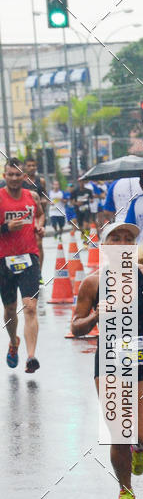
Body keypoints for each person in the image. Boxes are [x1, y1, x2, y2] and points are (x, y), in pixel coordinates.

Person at [72, 221, 143, 499]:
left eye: (127, 239)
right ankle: (125, 490)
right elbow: (76, 327)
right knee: (120, 431)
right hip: (110, 361)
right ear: (105, 248)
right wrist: (96, 316)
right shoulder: (92, 283)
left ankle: (139, 448)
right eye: (115, 239)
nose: (122, 243)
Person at [0, 159, 45, 372]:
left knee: (30, 307)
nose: (15, 178)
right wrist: (5, 227)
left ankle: (31, 356)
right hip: (4, 260)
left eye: (18, 175)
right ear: (4, 176)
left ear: (23, 176)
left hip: (29, 258)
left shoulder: (32, 196)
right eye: (10, 174)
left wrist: (40, 226)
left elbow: (40, 215)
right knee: (10, 309)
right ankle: (14, 342)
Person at [22, 156, 46, 283]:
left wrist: (43, 201)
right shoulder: (21, 181)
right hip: (24, 216)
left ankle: (38, 274)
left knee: (39, 244)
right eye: (29, 165)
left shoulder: (40, 181)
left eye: (34, 165)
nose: (32, 168)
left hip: (38, 215)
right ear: (25, 167)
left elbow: (45, 196)